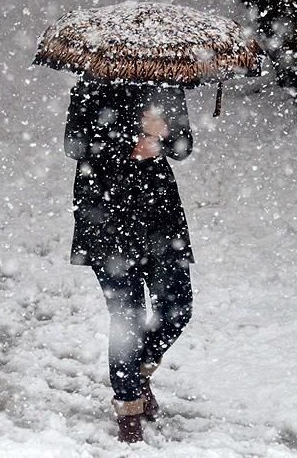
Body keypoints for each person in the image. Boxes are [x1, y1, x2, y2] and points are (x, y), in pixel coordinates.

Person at [63, 76, 194, 443]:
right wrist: (132, 139)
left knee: (178, 306)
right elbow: (75, 145)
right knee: (128, 318)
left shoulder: (166, 85)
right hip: (106, 215)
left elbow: (183, 147)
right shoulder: (90, 86)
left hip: (160, 217)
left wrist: (163, 137)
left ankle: (136, 374)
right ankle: (128, 411)